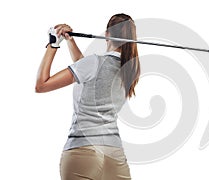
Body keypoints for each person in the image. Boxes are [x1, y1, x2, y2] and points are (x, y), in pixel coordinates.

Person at [35, 13, 140, 180]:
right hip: (114, 156)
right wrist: (70, 41)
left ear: (107, 35)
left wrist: (53, 45)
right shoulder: (130, 70)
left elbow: (42, 85)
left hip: (82, 152)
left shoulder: (94, 63)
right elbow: (87, 74)